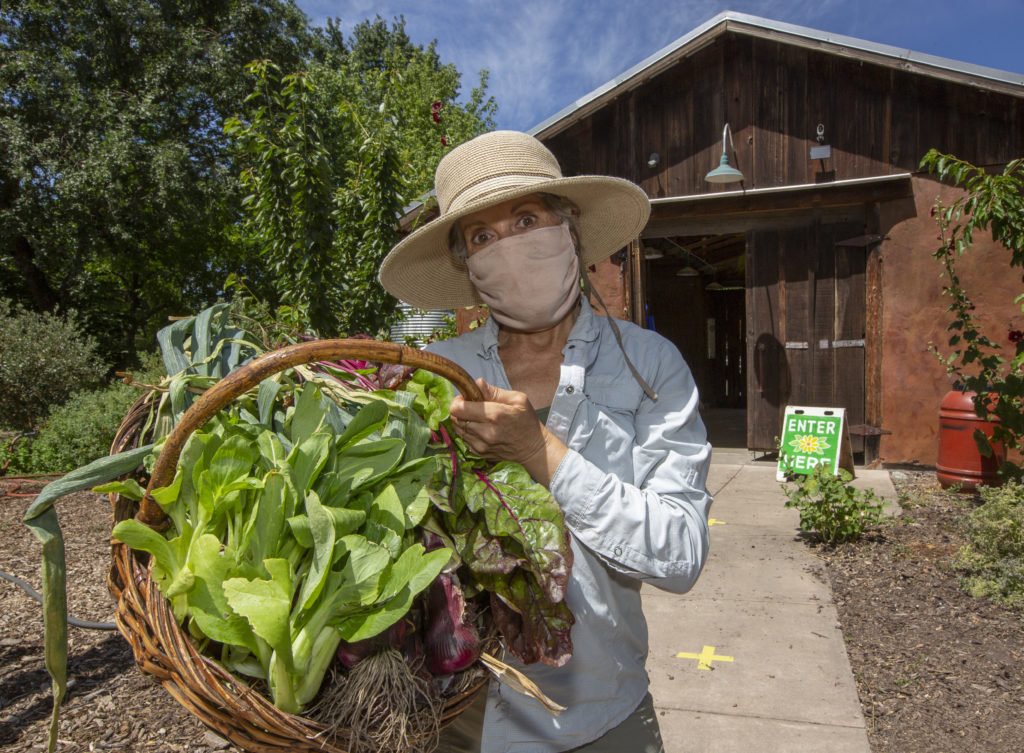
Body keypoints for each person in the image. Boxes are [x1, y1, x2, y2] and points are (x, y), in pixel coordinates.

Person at [378, 130, 712, 753]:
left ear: (570, 232)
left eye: (527, 219)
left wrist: (540, 453)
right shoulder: (431, 374)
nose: (509, 248)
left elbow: (681, 553)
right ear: (468, 269)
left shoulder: (648, 364)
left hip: (603, 715)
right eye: (482, 237)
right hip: (459, 720)